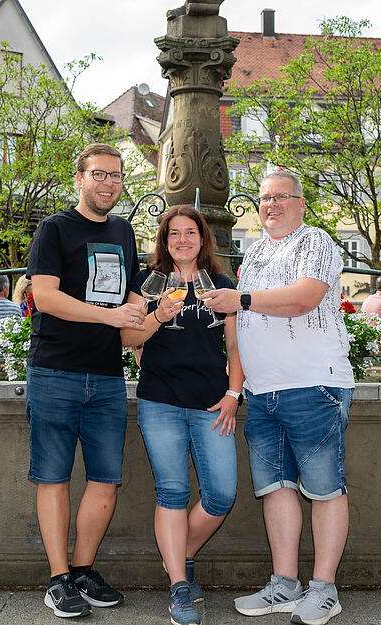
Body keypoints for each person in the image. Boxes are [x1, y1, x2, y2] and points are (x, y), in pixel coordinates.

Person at [205, 170, 354, 625]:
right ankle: (285, 585)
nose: (270, 205)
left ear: (300, 203)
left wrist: (241, 299)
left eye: (280, 197)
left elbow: (305, 298)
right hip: (263, 391)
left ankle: (325, 590)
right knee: (276, 489)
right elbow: (240, 321)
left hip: (314, 384)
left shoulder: (316, 241)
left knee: (326, 490)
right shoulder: (254, 253)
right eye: (264, 199)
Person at [26, 143, 144, 619]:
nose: (108, 183)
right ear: (79, 179)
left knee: (105, 481)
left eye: (116, 176)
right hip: (55, 370)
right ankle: (57, 581)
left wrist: (141, 316)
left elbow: (132, 296)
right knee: (53, 476)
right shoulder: (54, 228)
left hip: (108, 376)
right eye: (99, 174)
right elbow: (45, 297)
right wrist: (110, 314)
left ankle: (82, 571)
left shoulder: (124, 231)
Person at [120, 206, 242, 625]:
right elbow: (127, 337)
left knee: (221, 495)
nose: (183, 240)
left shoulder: (221, 284)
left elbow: (236, 346)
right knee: (171, 492)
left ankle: (182, 555)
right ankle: (179, 586)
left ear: (203, 238)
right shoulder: (149, 282)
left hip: (212, 404)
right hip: (161, 401)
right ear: (164, 239)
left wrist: (233, 394)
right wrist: (158, 316)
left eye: (191, 233)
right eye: (175, 234)